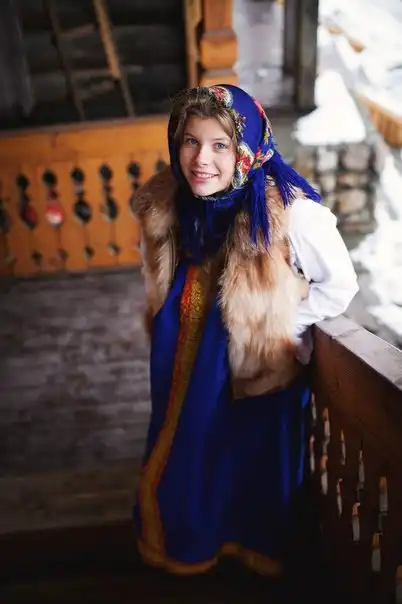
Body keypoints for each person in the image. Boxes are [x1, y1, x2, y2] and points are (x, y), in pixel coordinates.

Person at [132, 85, 358, 578]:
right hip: (185, 357)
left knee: (246, 459)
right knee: (191, 450)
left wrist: (278, 324)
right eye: (190, 141)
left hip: (251, 366)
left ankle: (249, 552)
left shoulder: (289, 213)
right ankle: (190, 544)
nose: (201, 159)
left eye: (220, 145)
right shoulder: (173, 200)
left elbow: (341, 285)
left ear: (247, 148)